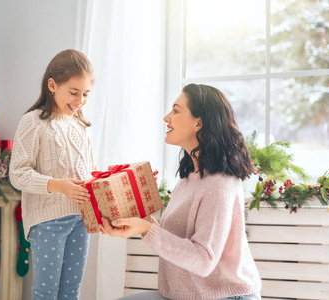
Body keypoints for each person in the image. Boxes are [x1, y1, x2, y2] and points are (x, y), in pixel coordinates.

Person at [100, 84, 262, 300]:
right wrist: (139, 224)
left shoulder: (219, 183)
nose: (167, 117)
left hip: (223, 296)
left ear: (199, 122)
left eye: (176, 111)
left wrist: (148, 229)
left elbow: (204, 260)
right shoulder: (191, 177)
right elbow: (175, 236)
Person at [9, 49, 96, 299]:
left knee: (71, 292)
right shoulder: (33, 121)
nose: (80, 100)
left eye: (86, 94)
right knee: (46, 293)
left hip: (81, 220)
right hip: (48, 221)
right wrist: (58, 185)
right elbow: (18, 174)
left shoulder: (83, 127)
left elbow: (89, 173)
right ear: (52, 85)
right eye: (74, 92)